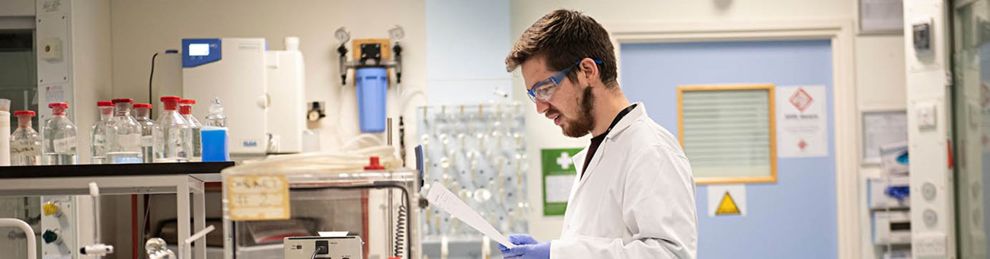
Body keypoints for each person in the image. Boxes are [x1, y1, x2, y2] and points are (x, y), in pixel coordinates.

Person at [498, 9, 698, 259]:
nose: (540, 107)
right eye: (534, 95)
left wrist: (558, 254)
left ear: (588, 71)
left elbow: (670, 254)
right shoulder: (602, 147)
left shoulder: (652, 150)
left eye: (545, 89)